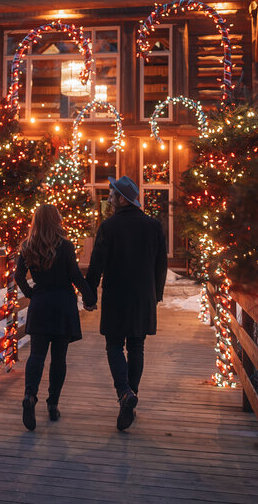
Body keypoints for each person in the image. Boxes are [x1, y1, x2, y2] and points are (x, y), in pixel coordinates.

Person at [85, 175, 168, 431]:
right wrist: (157, 294)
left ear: (123, 199)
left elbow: (97, 263)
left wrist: (89, 295)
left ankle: (124, 393)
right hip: (143, 297)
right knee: (137, 347)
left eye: (112, 195)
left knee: (113, 346)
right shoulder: (153, 226)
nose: (109, 199)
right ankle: (131, 396)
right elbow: (161, 264)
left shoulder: (108, 227)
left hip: (116, 296)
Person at [14, 203, 96, 431]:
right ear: (56, 221)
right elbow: (75, 276)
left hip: (41, 305)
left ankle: (30, 396)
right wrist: (90, 298)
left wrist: (32, 294)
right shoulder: (66, 246)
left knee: (37, 355)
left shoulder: (28, 246)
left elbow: (18, 276)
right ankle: (52, 404)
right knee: (59, 358)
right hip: (63, 307)